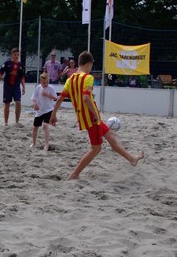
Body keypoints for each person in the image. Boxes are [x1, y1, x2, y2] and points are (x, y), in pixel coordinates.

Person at [50, 51, 144, 179]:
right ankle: (74, 174)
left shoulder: (70, 79)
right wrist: (95, 114)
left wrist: (53, 115)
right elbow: (86, 98)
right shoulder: (88, 78)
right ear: (89, 64)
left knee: (110, 136)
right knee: (96, 148)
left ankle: (132, 159)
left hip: (86, 116)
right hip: (91, 118)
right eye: (91, 66)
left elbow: (60, 98)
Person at [0, 48, 26, 125]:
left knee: (18, 102)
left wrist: (23, 87)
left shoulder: (20, 65)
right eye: (15, 55)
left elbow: (22, 77)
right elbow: (0, 73)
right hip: (7, 86)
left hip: (16, 86)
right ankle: (6, 122)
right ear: (12, 55)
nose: (16, 56)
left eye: (18, 55)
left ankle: (17, 122)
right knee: (7, 104)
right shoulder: (7, 63)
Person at [30, 72, 58, 150]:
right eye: (44, 83)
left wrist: (47, 95)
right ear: (40, 81)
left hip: (49, 109)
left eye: (47, 82)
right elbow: (33, 98)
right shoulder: (38, 88)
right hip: (40, 111)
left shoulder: (51, 88)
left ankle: (47, 144)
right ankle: (34, 143)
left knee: (45, 125)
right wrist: (35, 104)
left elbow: (55, 98)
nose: (46, 84)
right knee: (35, 127)